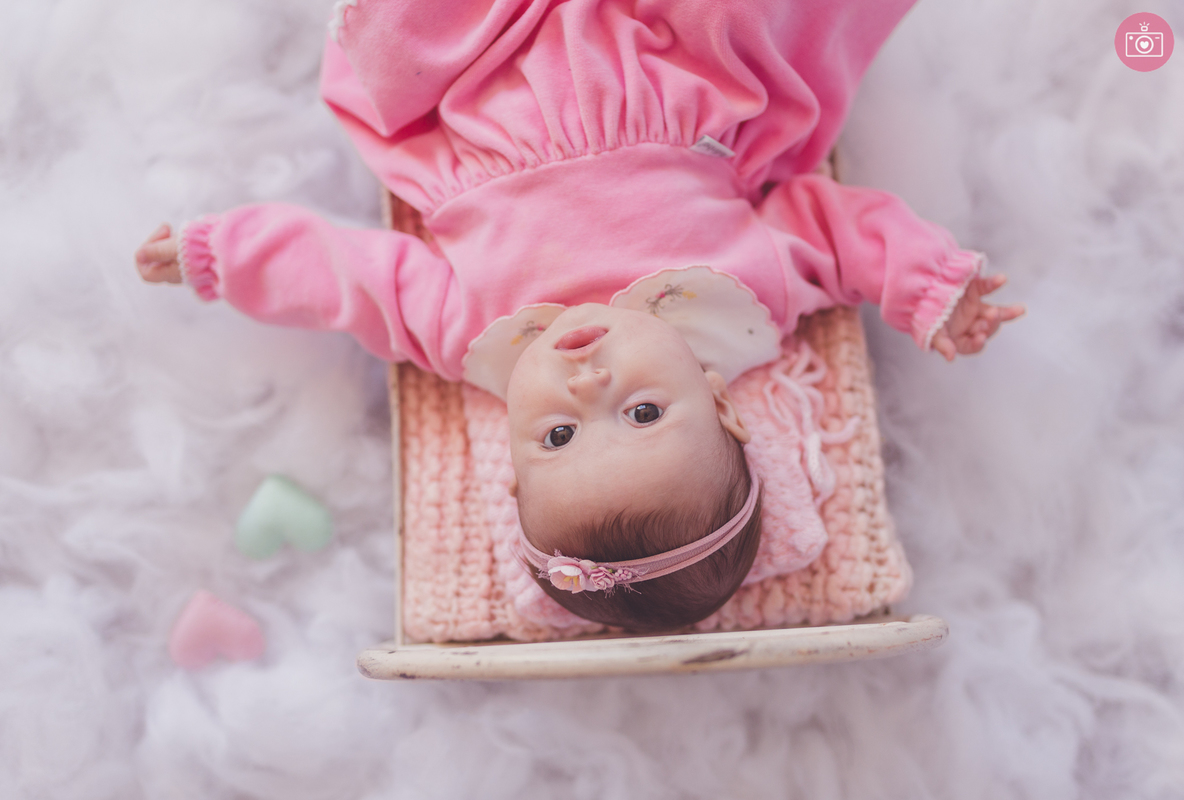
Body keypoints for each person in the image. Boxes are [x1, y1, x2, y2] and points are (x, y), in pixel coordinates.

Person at [135, 0, 1024, 632]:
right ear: (720, 402)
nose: (586, 382)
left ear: (512, 469)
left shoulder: (466, 333)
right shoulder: (742, 299)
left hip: (479, 74)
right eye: (641, 414)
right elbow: (838, 231)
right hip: (669, 58)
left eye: (557, 434)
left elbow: (344, 276)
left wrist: (222, 253)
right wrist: (925, 286)